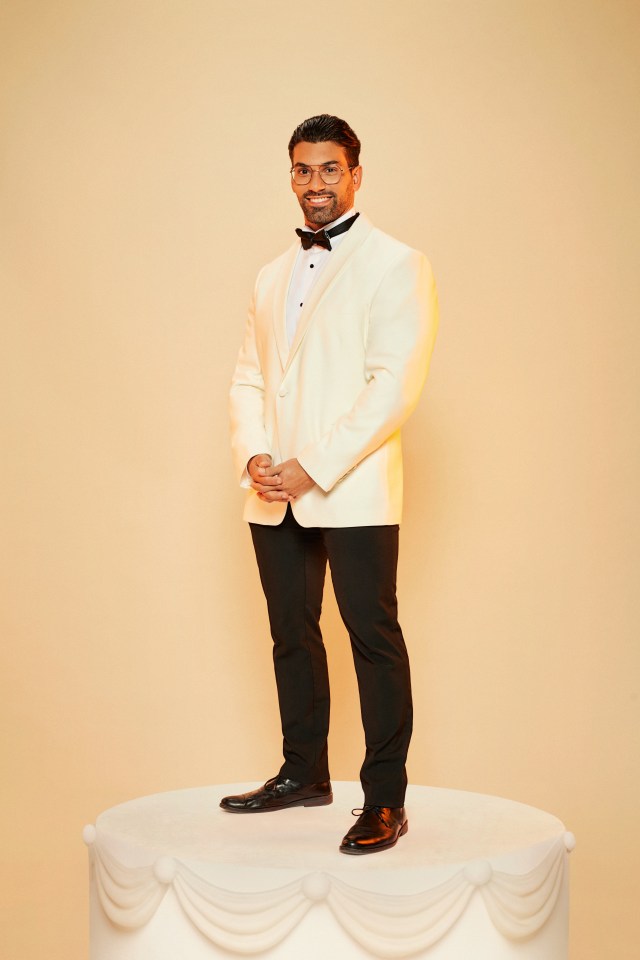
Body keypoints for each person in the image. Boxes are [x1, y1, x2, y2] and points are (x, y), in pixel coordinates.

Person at [222, 114, 438, 854]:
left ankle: (385, 800)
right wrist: (254, 453)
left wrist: (310, 464)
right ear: (291, 175)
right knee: (291, 635)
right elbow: (251, 375)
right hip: (272, 491)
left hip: (351, 485)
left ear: (355, 173)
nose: (315, 183)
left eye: (329, 169)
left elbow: (391, 388)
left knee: (371, 637)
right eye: (303, 170)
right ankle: (303, 773)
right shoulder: (268, 274)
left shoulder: (397, 263)